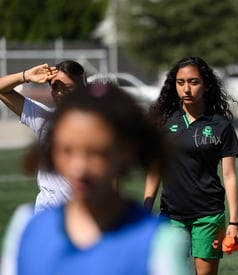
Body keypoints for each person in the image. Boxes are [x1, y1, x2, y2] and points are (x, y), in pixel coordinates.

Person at [1, 82, 190, 275]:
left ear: (126, 152)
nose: (79, 168)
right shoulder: (26, 227)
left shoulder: (159, 241)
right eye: (67, 150)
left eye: (96, 152)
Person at [144, 56, 238, 275]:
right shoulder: (164, 121)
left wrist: (234, 222)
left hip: (208, 215)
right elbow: (154, 170)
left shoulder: (220, 125)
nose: (186, 89)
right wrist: (145, 210)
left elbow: (230, 175)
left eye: (193, 82)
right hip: (170, 216)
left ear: (206, 85)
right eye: (181, 83)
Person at [0, 60, 87, 213]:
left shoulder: (97, 127)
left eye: (66, 87)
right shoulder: (44, 118)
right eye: (54, 88)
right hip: (46, 215)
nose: (59, 93)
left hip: (82, 216)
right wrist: (26, 75)